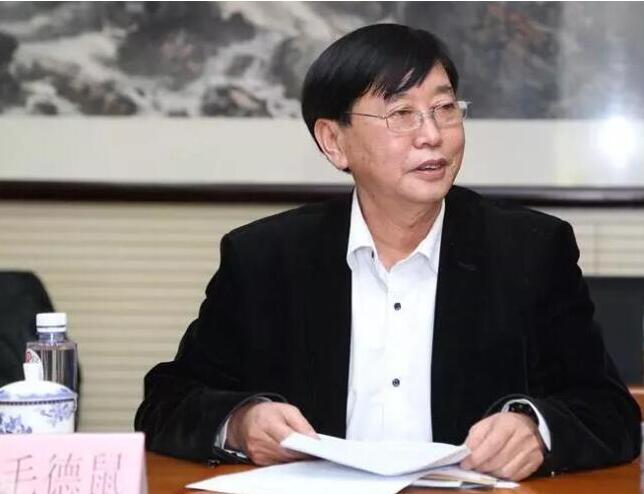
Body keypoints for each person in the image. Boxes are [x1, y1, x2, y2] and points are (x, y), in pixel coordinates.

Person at [134, 24, 641, 480]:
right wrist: (241, 424)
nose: (432, 135)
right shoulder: (265, 258)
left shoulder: (530, 251)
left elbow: (610, 412)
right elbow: (166, 403)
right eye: (401, 114)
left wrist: (537, 430)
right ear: (334, 141)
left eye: (445, 109)